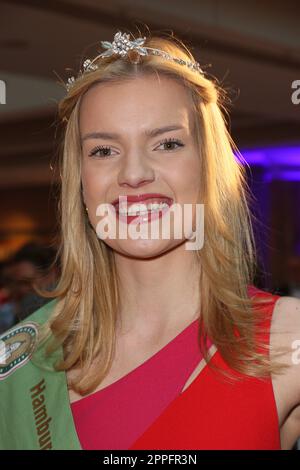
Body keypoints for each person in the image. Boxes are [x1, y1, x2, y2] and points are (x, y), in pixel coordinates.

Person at [0, 30, 299, 450]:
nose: (135, 173)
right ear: (81, 182)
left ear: (208, 165)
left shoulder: (287, 338)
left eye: (167, 143)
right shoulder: (24, 357)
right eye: (104, 150)